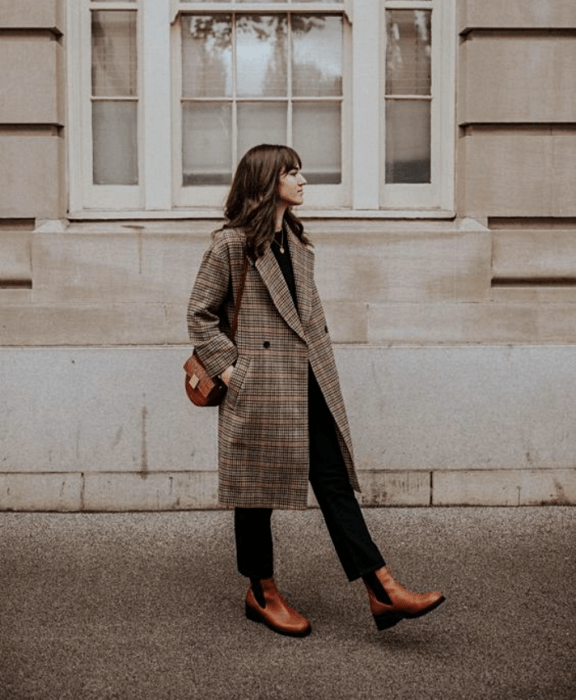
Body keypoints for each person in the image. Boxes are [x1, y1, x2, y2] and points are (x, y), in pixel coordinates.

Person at [187, 144, 445, 637]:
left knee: (332, 482)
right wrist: (231, 372)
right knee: (254, 490)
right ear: (266, 183)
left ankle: (381, 587)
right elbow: (199, 315)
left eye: (300, 171)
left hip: (308, 382)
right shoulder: (230, 245)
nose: (302, 180)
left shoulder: (298, 245)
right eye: (291, 172)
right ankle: (261, 591)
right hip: (259, 386)